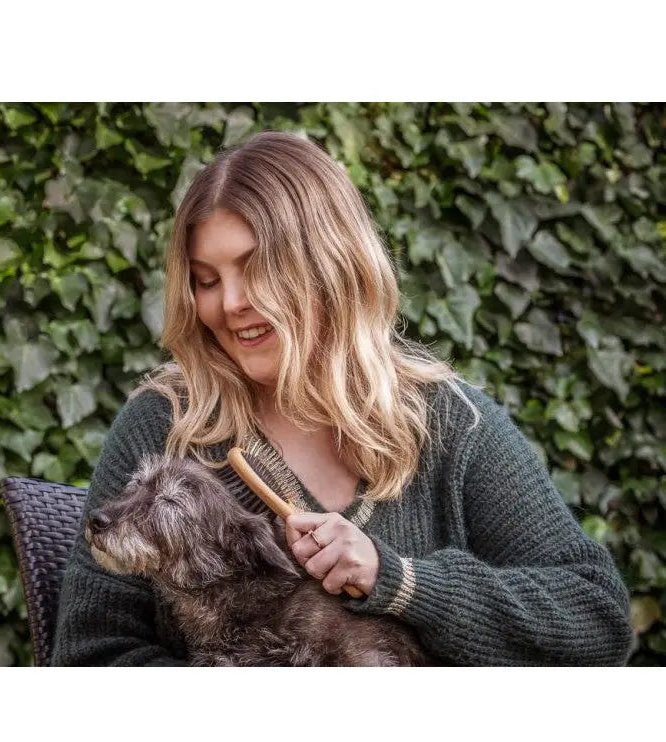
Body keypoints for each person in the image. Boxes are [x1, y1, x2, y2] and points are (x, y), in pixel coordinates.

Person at [51, 131, 634, 666]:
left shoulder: (450, 424)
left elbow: (598, 622)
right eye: (207, 280)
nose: (229, 304)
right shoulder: (167, 423)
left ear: (331, 267)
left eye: (257, 270)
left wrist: (403, 582)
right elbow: (90, 658)